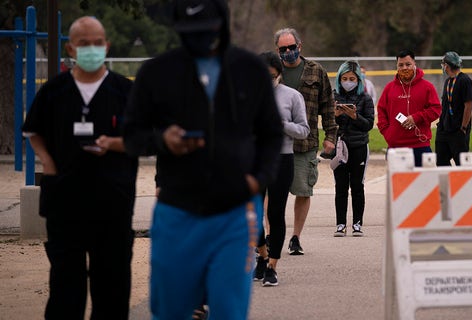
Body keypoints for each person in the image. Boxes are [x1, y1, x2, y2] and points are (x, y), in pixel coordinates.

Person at [123, 0, 283, 318]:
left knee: (228, 310)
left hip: (234, 214)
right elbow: (131, 135)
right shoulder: (156, 73)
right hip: (176, 212)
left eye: (205, 31)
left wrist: (256, 180)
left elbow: (271, 135)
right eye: (188, 32)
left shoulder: (248, 70)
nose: (198, 39)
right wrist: (162, 140)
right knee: (171, 310)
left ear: (221, 25)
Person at [21, 16, 137, 319]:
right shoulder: (54, 91)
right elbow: (33, 131)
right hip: (64, 205)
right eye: (83, 44)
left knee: (111, 289)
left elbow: (144, 138)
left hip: (113, 204)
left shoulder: (125, 91)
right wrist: (47, 162)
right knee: (65, 288)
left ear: (107, 46)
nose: (91, 49)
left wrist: (116, 144)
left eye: (97, 43)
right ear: (71, 49)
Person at [274, 27, 338, 256]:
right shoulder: (272, 71)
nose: (288, 52)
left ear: (299, 46)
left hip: (304, 142)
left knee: (303, 190)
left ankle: (295, 237)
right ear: (277, 50)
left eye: (292, 47)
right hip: (274, 145)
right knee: (272, 193)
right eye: (283, 49)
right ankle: (272, 236)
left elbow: (328, 106)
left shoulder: (315, 71)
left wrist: (331, 136)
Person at [253, 51, 310, 286]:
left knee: (275, 213)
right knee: (254, 214)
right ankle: (262, 256)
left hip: (282, 159)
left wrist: (283, 125)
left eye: (273, 77)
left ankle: (272, 267)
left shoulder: (292, 96)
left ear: (280, 75)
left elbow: (304, 130)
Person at [332, 60, 375, 236]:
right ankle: (340, 224)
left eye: (352, 78)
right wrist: (335, 116)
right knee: (341, 188)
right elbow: (329, 124)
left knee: (357, 186)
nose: (348, 81)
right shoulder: (333, 97)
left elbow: (369, 124)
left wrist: (355, 116)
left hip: (359, 147)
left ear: (358, 80)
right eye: (344, 78)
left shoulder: (365, 98)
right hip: (340, 147)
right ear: (339, 79)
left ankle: (357, 224)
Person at [377, 49, 442, 166]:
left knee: (425, 184)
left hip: (420, 145)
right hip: (395, 147)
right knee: (397, 184)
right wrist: (388, 133)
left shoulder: (427, 87)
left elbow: (436, 109)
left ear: (414, 65)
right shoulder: (389, 88)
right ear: (397, 66)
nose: (404, 68)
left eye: (408, 64)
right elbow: (381, 111)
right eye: (400, 65)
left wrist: (416, 118)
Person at [435, 51, 472, 166]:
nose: (443, 67)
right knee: (441, 160)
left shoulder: (465, 80)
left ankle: (462, 183)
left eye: (443, 64)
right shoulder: (448, 81)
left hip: (458, 129)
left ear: (447, 65)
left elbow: (468, 105)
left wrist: (463, 127)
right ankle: (448, 182)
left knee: (461, 163)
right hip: (444, 128)